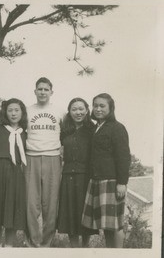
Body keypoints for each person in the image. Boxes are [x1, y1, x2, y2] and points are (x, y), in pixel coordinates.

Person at [82, 93, 131, 248]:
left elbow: (123, 157)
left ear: (111, 108)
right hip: (96, 180)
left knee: (115, 224)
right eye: (95, 105)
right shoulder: (95, 128)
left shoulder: (117, 128)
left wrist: (122, 183)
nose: (98, 109)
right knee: (106, 225)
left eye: (102, 106)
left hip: (111, 181)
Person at [24, 77, 63, 247]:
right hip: (31, 157)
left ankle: (46, 244)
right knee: (31, 205)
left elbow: (66, 135)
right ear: (35, 91)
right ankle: (33, 243)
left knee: (51, 205)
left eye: (46, 89)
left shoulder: (60, 112)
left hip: (52, 158)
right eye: (39, 89)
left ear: (51, 92)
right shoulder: (26, 111)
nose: (42, 92)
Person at [0, 98, 28, 247]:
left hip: (15, 172)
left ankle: (9, 246)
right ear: (5, 112)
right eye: (10, 110)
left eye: (17, 110)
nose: (13, 113)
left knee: (12, 207)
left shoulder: (25, 132)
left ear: (22, 112)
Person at [57, 98, 97, 247]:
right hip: (67, 176)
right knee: (70, 212)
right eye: (74, 109)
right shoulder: (64, 131)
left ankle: (85, 247)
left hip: (86, 176)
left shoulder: (92, 130)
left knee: (84, 212)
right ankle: (74, 248)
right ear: (69, 111)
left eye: (81, 109)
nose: (78, 112)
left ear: (87, 110)